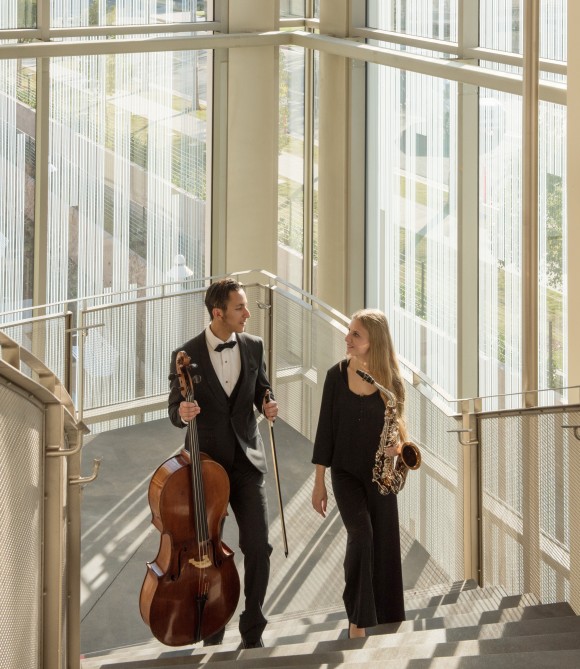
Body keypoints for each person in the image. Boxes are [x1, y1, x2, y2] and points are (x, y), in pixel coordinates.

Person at [168, 277, 278, 649]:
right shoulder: (186, 353)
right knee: (206, 549)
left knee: (259, 546)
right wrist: (182, 411)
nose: (248, 313)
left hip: (247, 461)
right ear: (219, 313)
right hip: (207, 466)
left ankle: (252, 626)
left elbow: (261, 386)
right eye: (240, 307)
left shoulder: (254, 345)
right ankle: (212, 624)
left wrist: (267, 400)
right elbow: (173, 409)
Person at [311, 308, 406, 639]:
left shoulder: (391, 381)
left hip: (380, 474)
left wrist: (397, 450)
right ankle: (359, 618)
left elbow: (397, 428)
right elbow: (325, 432)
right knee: (362, 537)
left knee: (385, 543)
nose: (347, 338)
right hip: (346, 472)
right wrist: (319, 482)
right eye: (349, 331)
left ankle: (389, 617)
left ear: (373, 342)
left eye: (356, 335)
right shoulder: (335, 376)